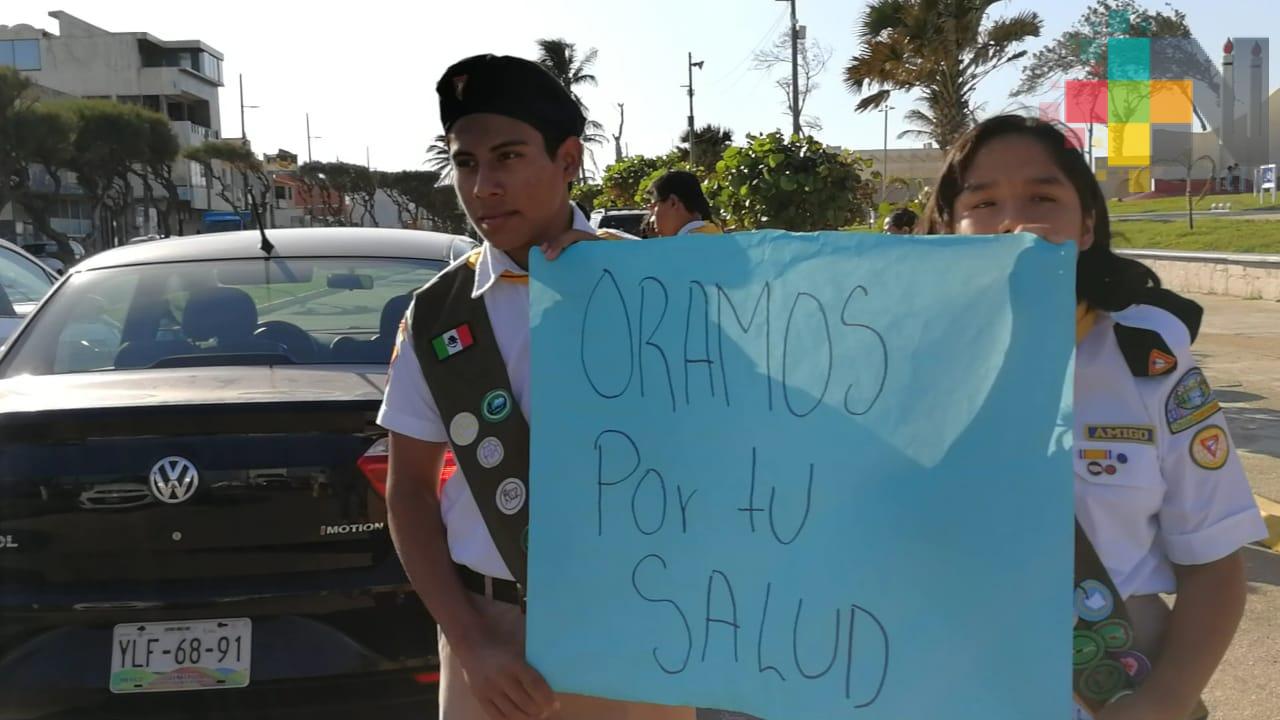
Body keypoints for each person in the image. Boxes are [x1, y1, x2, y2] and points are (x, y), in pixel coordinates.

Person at [377, 54, 693, 720]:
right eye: (466, 163)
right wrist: (470, 644)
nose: (484, 186)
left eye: (510, 156)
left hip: (637, 624)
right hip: (491, 642)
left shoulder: (653, 286)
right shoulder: (439, 313)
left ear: (569, 158)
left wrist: (618, 294)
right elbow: (408, 491)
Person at [921, 114, 1265, 720]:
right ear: (950, 226)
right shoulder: (892, 371)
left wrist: (1164, 702)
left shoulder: (1146, 361)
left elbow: (1213, 560)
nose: (1013, 220)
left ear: (1085, 225)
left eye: (1043, 197)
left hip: (1112, 698)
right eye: (984, 201)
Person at [646, 170, 723, 236]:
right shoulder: (717, 234)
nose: (652, 215)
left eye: (654, 205)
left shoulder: (681, 248)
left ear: (673, 202)